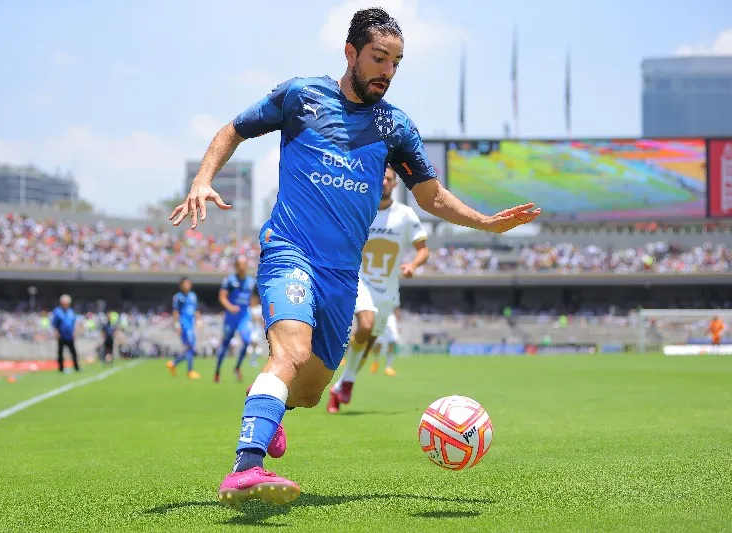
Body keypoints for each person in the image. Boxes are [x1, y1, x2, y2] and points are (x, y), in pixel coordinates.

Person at [169, 7, 540, 508]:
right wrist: (202, 179)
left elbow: (429, 195)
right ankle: (245, 467)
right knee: (291, 353)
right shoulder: (301, 97)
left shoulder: (395, 127)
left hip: (343, 277)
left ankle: (272, 413)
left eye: (396, 62)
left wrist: (487, 222)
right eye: (378, 58)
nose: (387, 71)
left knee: (308, 391)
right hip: (290, 251)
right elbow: (233, 129)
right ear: (351, 54)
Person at [327, 166, 428, 414]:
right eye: (380, 177)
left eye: (389, 179)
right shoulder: (361, 210)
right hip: (362, 281)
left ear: (395, 185)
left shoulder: (404, 215)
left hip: (388, 290)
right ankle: (343, 380)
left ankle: (342, 385)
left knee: (367, 343)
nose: (383, 181)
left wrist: (413, 265)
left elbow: (423, 249)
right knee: (366, 325)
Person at [214, 256, 257, 382]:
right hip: (231, 318)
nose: (242, 266)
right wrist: (230, 307)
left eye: (244, 264)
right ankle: (217, 372)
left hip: (244, 317)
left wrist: (253, 309)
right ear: (236, 266)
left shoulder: (250, 281)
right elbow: (222, 297)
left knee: (247, 340)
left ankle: (237, 367)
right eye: (239, 264)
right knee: (225, 344)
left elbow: (251, 298)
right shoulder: (230, 280)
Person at [167, 277, 202, 379]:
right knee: (190, 346)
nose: (187, 285)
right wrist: (177, 325)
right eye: (185, 284)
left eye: (188, 283)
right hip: (184, 324)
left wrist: (199, 320)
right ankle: (189, 371)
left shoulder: (193, 295)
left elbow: (196, 309)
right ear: (181, 285)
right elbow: (175, 311)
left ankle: (173, 364)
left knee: (190, 348)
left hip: (191, 324)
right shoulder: (178, 297)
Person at [52, 294, 80, 373]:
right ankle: (61, 368)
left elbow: (73, 323)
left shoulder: (71, 311)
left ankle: (76, 367)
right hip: (61, 335)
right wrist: (57, 333)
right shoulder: (57, 311)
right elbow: (55, 324)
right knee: (60, 352)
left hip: (70, 335)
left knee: (73, 352)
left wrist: (74, 332)